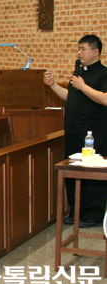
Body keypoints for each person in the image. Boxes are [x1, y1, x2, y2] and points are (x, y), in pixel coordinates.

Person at [44, 34, 107, 228]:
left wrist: (83, 86)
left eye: (83, 49)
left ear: (95, 51)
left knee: (92, 174)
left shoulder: (103, 74)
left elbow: (105, 99)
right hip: (74, 131)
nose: (79, 52)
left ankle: (94, 215)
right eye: (78, 48)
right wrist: (53, 85)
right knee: (73, 170)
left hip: (94, 132)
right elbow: (72, 98)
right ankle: (75, 211)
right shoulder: (79, 72)